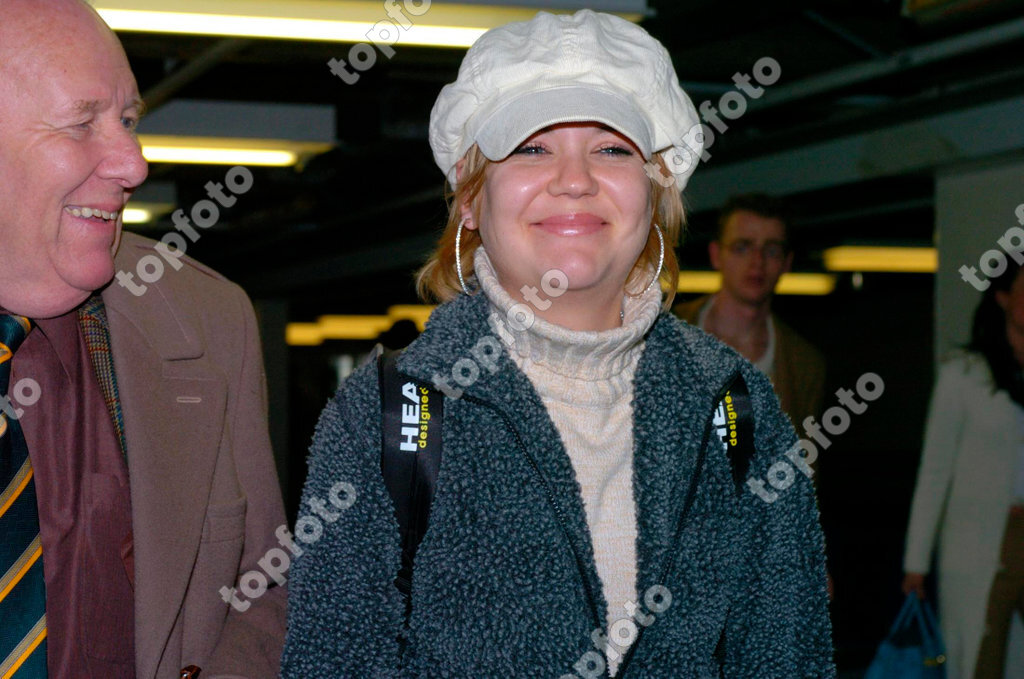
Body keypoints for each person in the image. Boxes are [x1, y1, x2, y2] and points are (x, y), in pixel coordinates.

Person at [282, 10, 833, 677]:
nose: (575, 179)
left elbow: (788, 653)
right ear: (468, 195)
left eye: (612, 148)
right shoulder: (388, 414)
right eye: (531, 147)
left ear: (657, 189)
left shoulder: (736, 406)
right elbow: (332, 660)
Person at [0, 1, 286, 676]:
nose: (133, 162)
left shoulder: (206, 319)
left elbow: (267, 587)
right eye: (82, 123)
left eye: (127, 120)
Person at [903, 261, 1024, 679]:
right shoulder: (963, 374)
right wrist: (916, 561)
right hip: (977, 545)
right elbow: (934, 472)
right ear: (1004, 297)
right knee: (977, 657)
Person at [674, 194, 825, 431]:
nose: (757, 262)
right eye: (742, 247)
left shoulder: (804, 365)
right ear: (716, 255)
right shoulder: (661, 332)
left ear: (786, 263)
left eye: (772, 250)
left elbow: (804, 457)